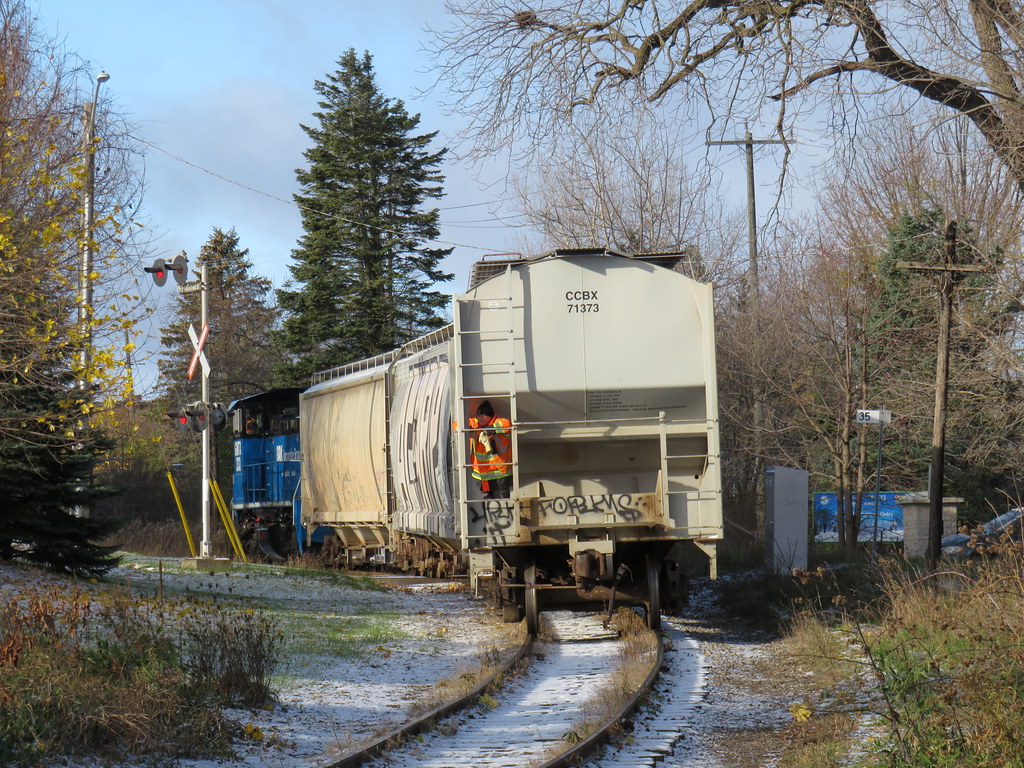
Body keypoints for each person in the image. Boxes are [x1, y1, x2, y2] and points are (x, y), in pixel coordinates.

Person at [467, 400, 513, 498]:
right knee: (485, 508)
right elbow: (456, 424)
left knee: (502, 506)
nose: (480, 418)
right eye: (479, 416)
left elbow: (507, 424)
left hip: (500, 475)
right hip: (481, 478)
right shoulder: (476, 424)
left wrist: (489, 430)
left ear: (490, 416)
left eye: (483, 415)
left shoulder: (498, 422)